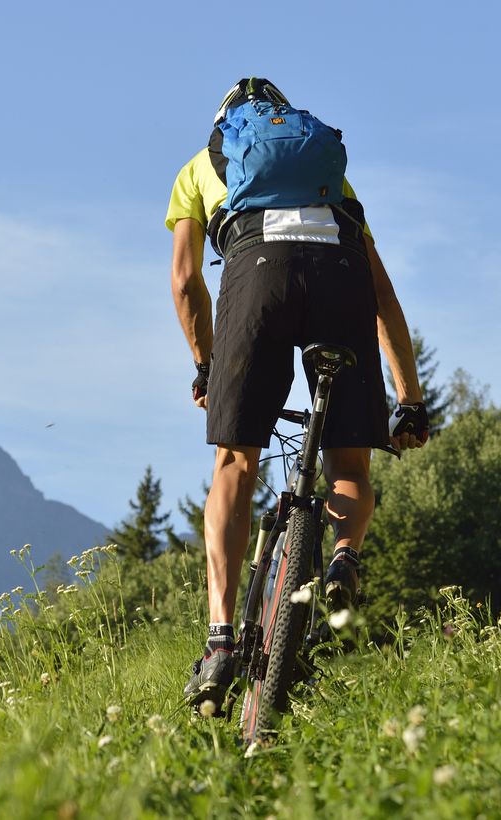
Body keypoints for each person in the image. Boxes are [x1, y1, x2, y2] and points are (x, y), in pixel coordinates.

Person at [167, 78, 429, 711]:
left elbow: (183, 282)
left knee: (236, 461)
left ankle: (222, 639)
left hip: (257, 271)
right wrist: (410, 398)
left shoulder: (201, 166)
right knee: (347, 459)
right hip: (338, 274)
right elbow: (383, 294)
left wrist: (205, 364)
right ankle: (343, 559)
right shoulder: (327, 173)